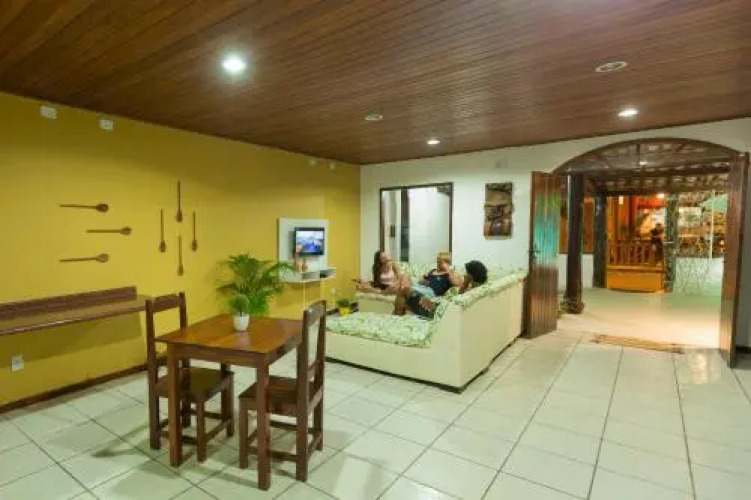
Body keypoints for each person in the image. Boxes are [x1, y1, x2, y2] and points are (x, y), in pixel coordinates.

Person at [395, 254, 486, 318]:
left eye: (467, 274)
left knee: (404, 290)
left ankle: (396, 317)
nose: (464, 275)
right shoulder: (476, 290)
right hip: (437, 306)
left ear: (471, 276)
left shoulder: (471, 292)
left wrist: (432, 304)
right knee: (404, 292)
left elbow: (455, 300)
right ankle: (398, 317)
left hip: (435, 311)